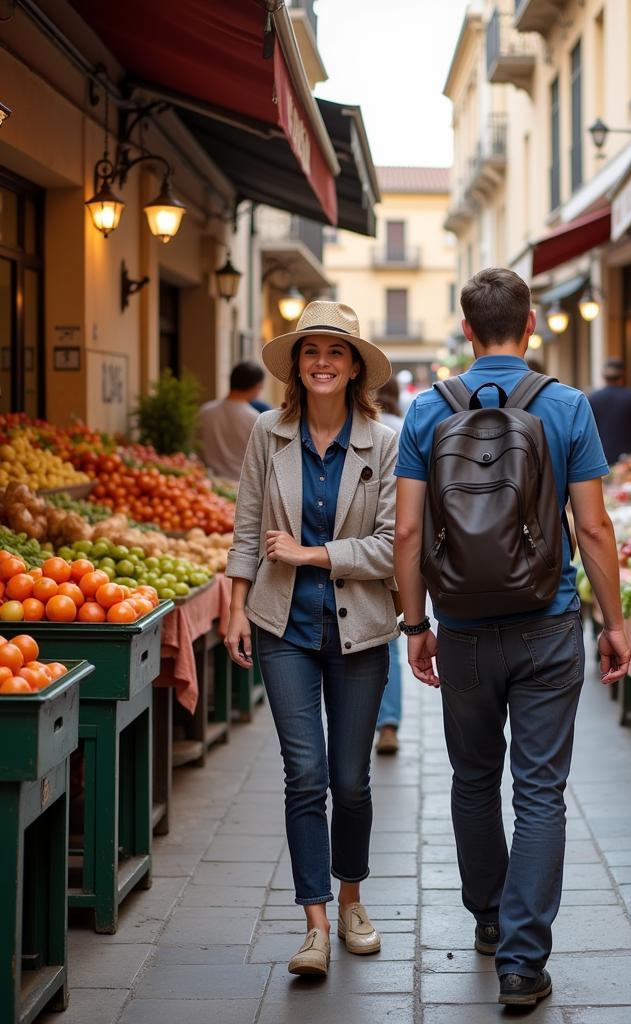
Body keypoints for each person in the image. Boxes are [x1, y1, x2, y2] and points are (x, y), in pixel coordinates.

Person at [393, 268, 631, 1008]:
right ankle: (524, 964)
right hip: (547, 624)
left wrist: (415, 625)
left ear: (466, 329)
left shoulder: (427, 410)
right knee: (540, 792)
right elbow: (591, 527)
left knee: (471, 780)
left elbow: (405, 531)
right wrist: (615, 623)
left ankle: (489, 921)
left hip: (460, 628)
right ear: (531, 325)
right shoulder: (565, 406)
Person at [224, 301, 399, 977]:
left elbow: (389, 548)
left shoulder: (385, 443)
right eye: (310, 351)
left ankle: (353, 900)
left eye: (336, 351)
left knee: (352, 783)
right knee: (306, 777)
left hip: (360, 632)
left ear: (355, 366)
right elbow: (246, 529)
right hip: (283, 629)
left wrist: (311, 554)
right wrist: (237, 606)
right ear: (297, 365)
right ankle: (316, 925)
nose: (322, 362)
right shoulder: (268, 433)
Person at [374, 377, 404, 756]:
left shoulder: (369, 430)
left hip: (360, 544)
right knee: (388, 640)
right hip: (395, 545)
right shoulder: (402, 427)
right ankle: (388, 724)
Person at [197, 361, 265, 481]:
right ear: (256, 386)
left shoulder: (205, 411)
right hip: (241, 488)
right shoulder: (255, 419)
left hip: (208, 484)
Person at [587, 357, 631, 465]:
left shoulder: (592, 398)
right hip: (627, 461)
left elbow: (586, 432)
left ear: (604, 376)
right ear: (623, 375)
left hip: (600, 460)